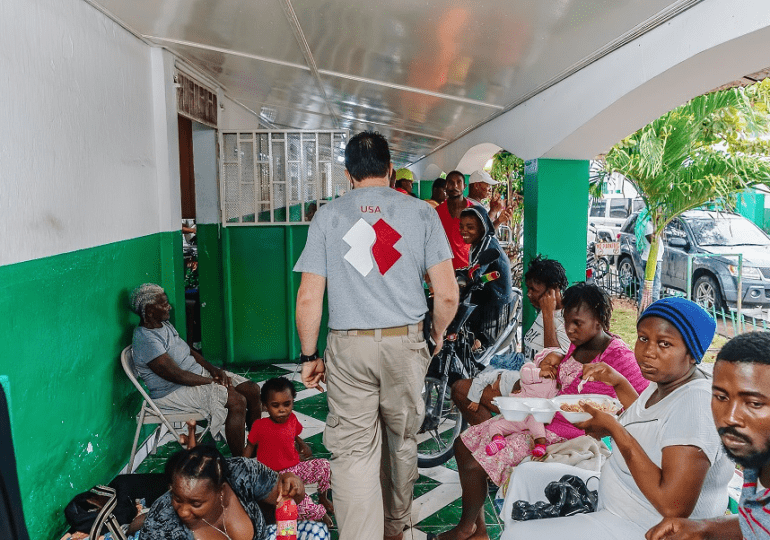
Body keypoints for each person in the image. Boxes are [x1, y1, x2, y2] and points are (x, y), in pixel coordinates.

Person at [293, 131, 459, 540]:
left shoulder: (328, 216)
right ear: (389, 169)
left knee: (352, 452)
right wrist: (436, 335)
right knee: (402, 440)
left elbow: (309, 298)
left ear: (348, 175)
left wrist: (309, 355)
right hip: (406, 344)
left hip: (348, 347)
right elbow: (448, 294)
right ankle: (395, 527)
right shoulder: (422, 213)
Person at [505, 297, 733, 540]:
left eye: (664, 344)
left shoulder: (695, 404)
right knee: (526, 475)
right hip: (621, 499)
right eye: (643, 338)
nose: (648, 352)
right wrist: (618, 382)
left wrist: (615, 429)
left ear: (692, 353)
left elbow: (674, 506)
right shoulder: (666, 383)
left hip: (643, 525)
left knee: (517, 536)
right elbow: (651, 422)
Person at [435, 282, 648, 540]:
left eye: (577, 323)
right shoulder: (578, 345)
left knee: (473, 463)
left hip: (561, 436)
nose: (569, 330)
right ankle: (477, 530)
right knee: (461, 444)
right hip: (539, 417)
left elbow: (642, 402)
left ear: (599, 319)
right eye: (567, 322)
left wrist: (610, 424)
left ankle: (466, 528)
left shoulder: (618, 355)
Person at [646, 331, 770, 540]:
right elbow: (759, 522)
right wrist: (705, 528)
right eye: (721, 397)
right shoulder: (757, 458)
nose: (730, 418)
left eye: (754, 403)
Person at [129, 283, 262, 456]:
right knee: (237, 401)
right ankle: (241, 462)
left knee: (253, 390)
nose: (169, 306)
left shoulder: (164, 325)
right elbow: (178, 376)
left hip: (196, 377)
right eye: (163, 304)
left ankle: (257, 448)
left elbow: (189, 352)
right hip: (173, 392)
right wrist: (213, 382)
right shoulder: (146, 339)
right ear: (149, 311)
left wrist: (214, 370)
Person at [451, 256, 572, 425]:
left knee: (461, 390)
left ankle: (491, 440)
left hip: (539, 394)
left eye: (534, 290)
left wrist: (548, 314)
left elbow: (555, 363)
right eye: (528, 289)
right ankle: (494, 437)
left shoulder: (565, 320)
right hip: (524, 381)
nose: (529, 295)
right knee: (466, 387)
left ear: (552, 291)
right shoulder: (545, 313)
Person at [140, 439, 330, 540]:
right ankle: (136, 521)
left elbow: (289, 498)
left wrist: (293, 484)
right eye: (177, 498)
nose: (182, 511)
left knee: (316, 532)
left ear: (221, 491)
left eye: (195, 503)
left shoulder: (243, 473)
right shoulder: (162, 523)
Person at [244, 377, 333, 527]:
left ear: (292, 401)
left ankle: (323, 497)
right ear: (265, 406)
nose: (282, 410)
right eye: (275, 405)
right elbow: (250, 447)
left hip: (296, 468)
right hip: (276, 476)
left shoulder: (292, 418)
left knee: (325, 465)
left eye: (287, 404)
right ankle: (320, 512)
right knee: (303, 503)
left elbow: (294, 433)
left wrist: (302, 443)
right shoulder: (260, 426)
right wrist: (241, 465)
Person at [482, 348, 563, 459]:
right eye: (547, 362)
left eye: (555, 366)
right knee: (495, 426)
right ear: (540, 361)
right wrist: (539, 373)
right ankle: (498, 440)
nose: (550, 367)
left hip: (533, 416)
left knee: (539, 428)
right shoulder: (531, 368)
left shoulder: (554, 383)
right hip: (517, 414)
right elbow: (524, 374)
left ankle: (540, 445)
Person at [458, 205, 513, 351]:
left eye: (470, 227)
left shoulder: (487, 243)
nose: (464, 231)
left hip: (495, 297)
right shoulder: (477, 242)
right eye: (461, 226)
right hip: (484, 290)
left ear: (482, 228)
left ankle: (478, 346)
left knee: (478, 341)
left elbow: (476, 270)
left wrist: (466, 276)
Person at [436, 170, 476, 269]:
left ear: (464, 186)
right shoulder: (437, 212)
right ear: (445, 186)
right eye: (451, 182)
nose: (455, 186)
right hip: (444, 269)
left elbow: (484, 237)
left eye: (459, 182)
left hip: (469, 269)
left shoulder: (474, 210)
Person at [636, 208, 664, 303]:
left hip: (655, 259)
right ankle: (649, 306)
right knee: (653, 288)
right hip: (650, 259)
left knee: (653, 287)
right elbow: (652, 241)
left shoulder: (652, 225)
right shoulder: (648, 226)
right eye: (659, 212)